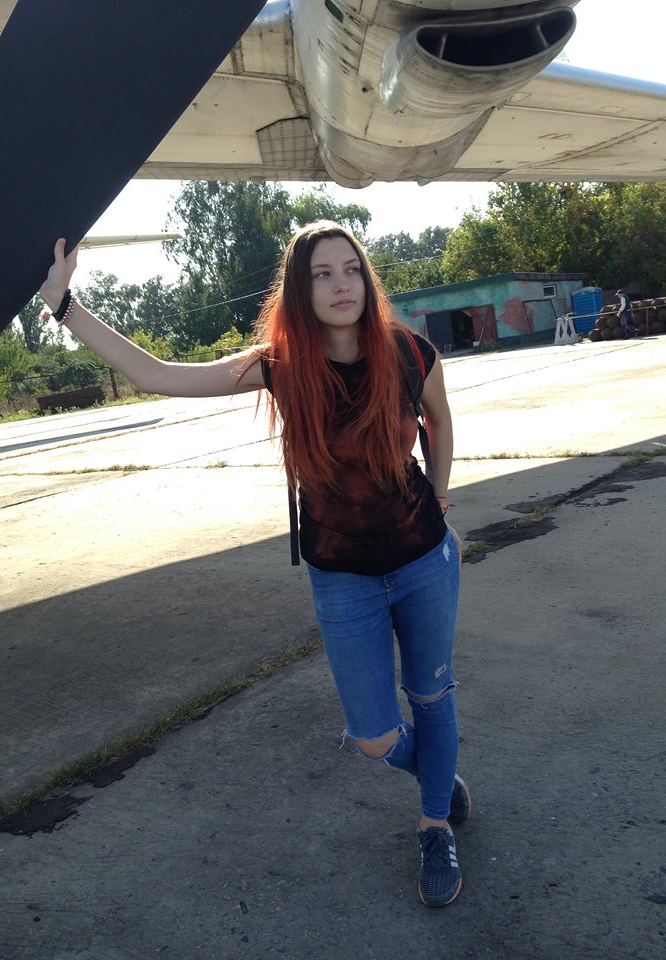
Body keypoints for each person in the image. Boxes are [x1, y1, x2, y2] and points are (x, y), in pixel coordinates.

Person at [40, 220, 470, 908]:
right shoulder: (282, 364)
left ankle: (434, 825)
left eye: (351, 270)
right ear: (301, 289)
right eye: (322, 274)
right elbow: (159, 375)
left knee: (430, 696)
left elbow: (440, 422)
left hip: (424, 560)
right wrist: (64, 306)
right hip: (343, 578)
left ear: (366, 280)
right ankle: (438, 779)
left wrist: (441, 497)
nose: (341, 285)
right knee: (374, 736)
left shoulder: (410, 351)